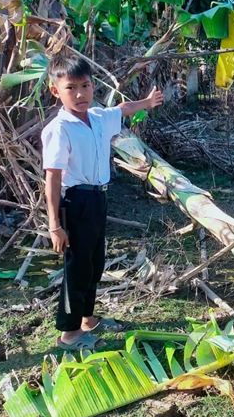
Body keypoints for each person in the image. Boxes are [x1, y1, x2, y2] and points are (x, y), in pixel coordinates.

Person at [42, 55, 163, 350]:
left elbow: (122, 108)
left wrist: (147, 102)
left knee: (95, 263)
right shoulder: (60, 129)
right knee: (78, 267)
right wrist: (55, 225)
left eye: (85, 85)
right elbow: (53, 179)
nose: (80, 94)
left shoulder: (97, 118)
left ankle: (88, 319)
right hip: (77, 201)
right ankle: (69, 334)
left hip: (98, 198)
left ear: (93, 86)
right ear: (56, 91)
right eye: (71, 88)